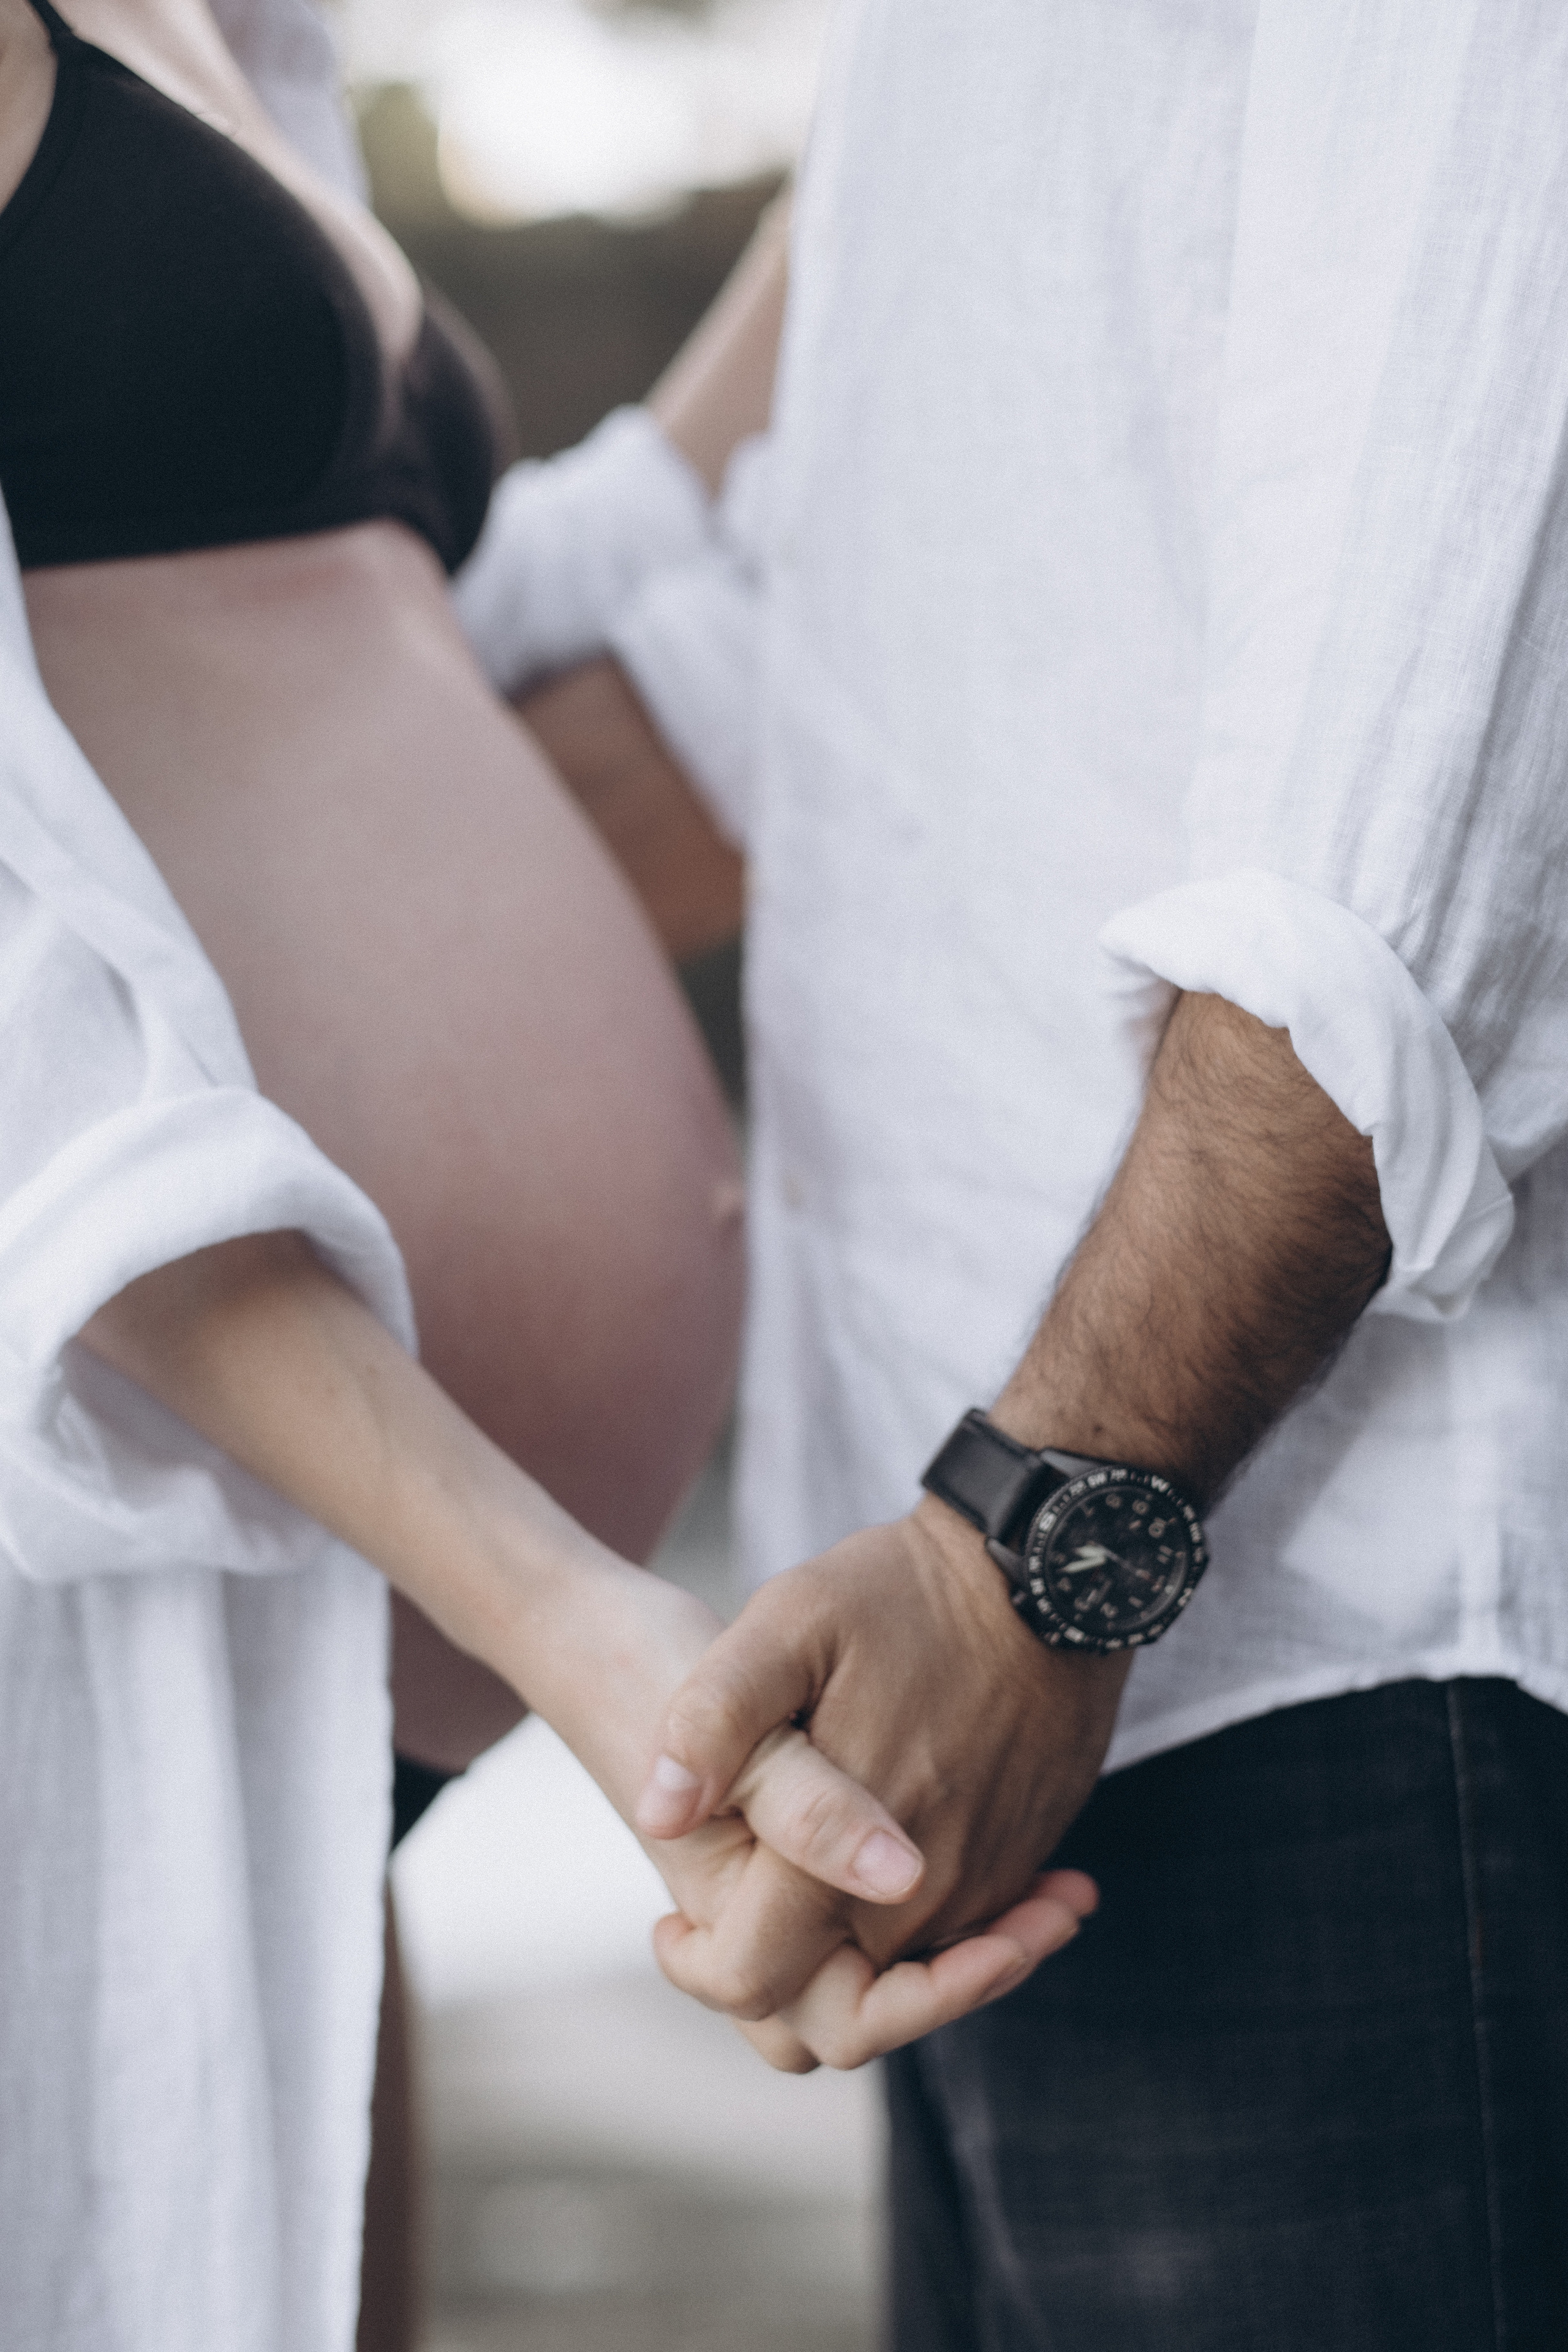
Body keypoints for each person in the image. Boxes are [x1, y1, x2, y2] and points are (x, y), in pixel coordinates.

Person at [0, 2, 1096, 2345]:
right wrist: (578, 1619)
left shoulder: (206, 34)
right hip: (104, 1600)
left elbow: (392, 657)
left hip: (302, 1675)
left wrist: (943, 115)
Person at [475, 0, 1568, 2340]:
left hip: (1353, 1681)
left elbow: (1447, 710)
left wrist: (1045, 1543)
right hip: (984, 1707)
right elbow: (823, 660)